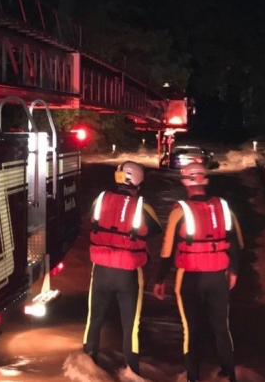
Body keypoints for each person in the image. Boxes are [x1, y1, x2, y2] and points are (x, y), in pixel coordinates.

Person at [152, 163, 243, 382]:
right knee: (222, 328)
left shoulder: (178, 211)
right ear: (205, 180)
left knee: (191, 329)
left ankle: (193, 377)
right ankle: (229, 375)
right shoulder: (223, 207)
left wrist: (159, 279)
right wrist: (233, 271)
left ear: (184, 182)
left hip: (189, 278)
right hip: (218, 276)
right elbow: (236, 243)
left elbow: (167, 250)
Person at [83, 161, 162, 377]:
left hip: (100, 271)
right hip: (127, 274)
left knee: (94, 319)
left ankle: (86, 366)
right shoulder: (142, 207)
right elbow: (154, 229)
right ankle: (132, 373)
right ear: (137, 181)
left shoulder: (100, 200)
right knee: (131, 326)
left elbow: (92, 221)